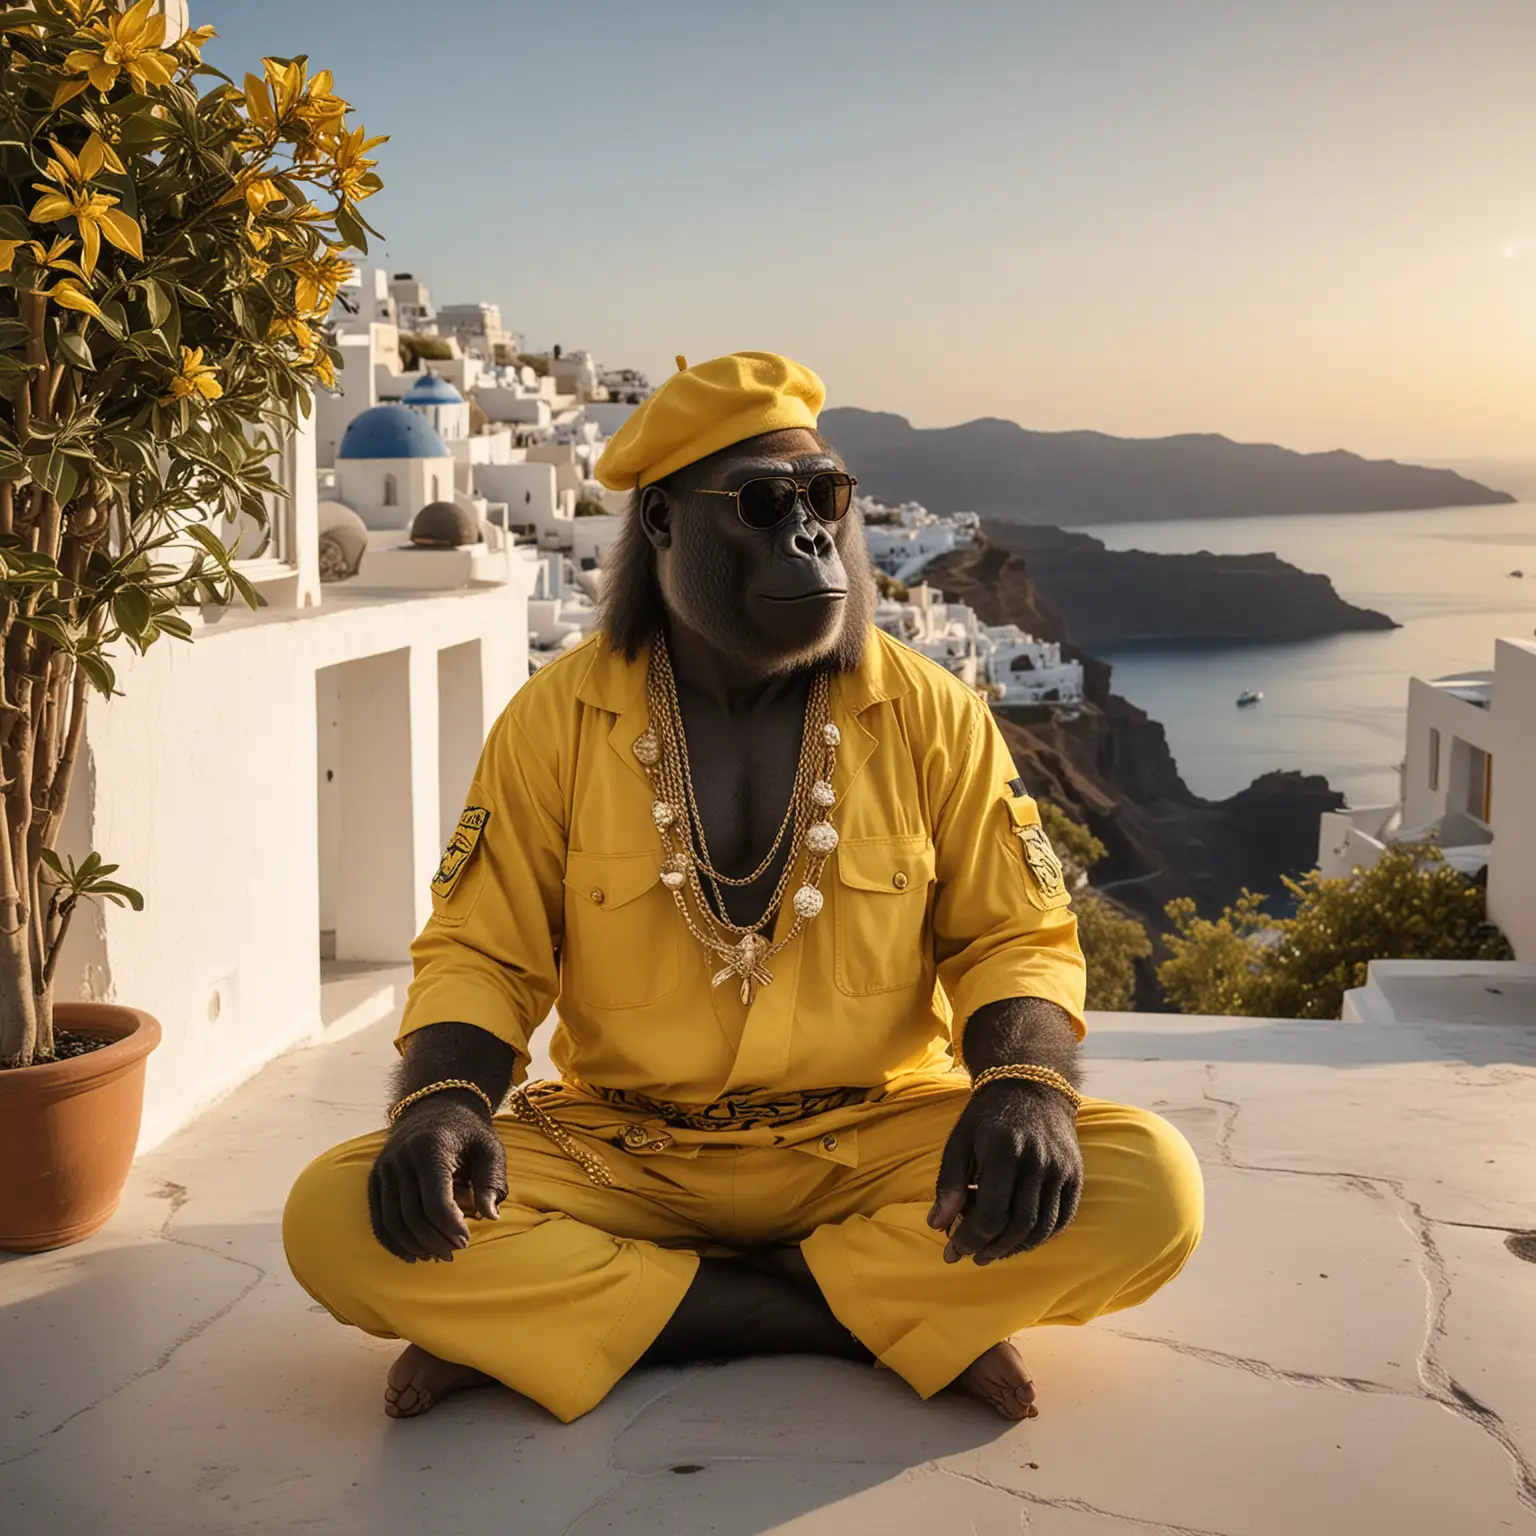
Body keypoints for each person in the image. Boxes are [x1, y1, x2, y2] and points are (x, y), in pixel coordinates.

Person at [283, 352, 1203, 1426]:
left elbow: (1017, 936)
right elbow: (482, 953)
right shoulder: (555, 720)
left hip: (876, 1140)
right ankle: (861, 1316)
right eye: (763, 506)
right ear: (665, 526)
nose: (809, 537)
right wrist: (441, 1108)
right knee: (336, 1218)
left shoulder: (931, 713)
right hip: (621, 1148)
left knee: (1152, 1190)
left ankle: (604, 1320)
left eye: (826, 501)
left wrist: (1025, 1089)